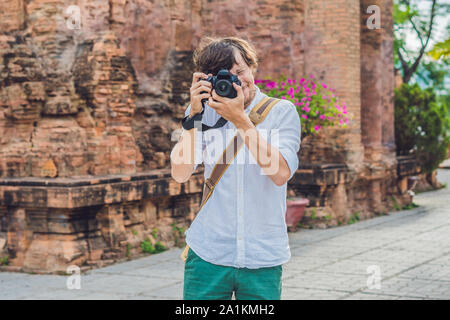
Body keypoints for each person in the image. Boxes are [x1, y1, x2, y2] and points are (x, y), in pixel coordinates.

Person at [170, 36, 301, 300]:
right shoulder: (202, 114)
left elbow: (280, 173)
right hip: (208, 253)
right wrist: (193, 117)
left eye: (240, 72)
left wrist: (240, 120)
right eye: (224, 76)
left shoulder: (281, 112)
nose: (237, 82)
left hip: (262, 256)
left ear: (252, 66)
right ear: (207, 80)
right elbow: (180, 173)